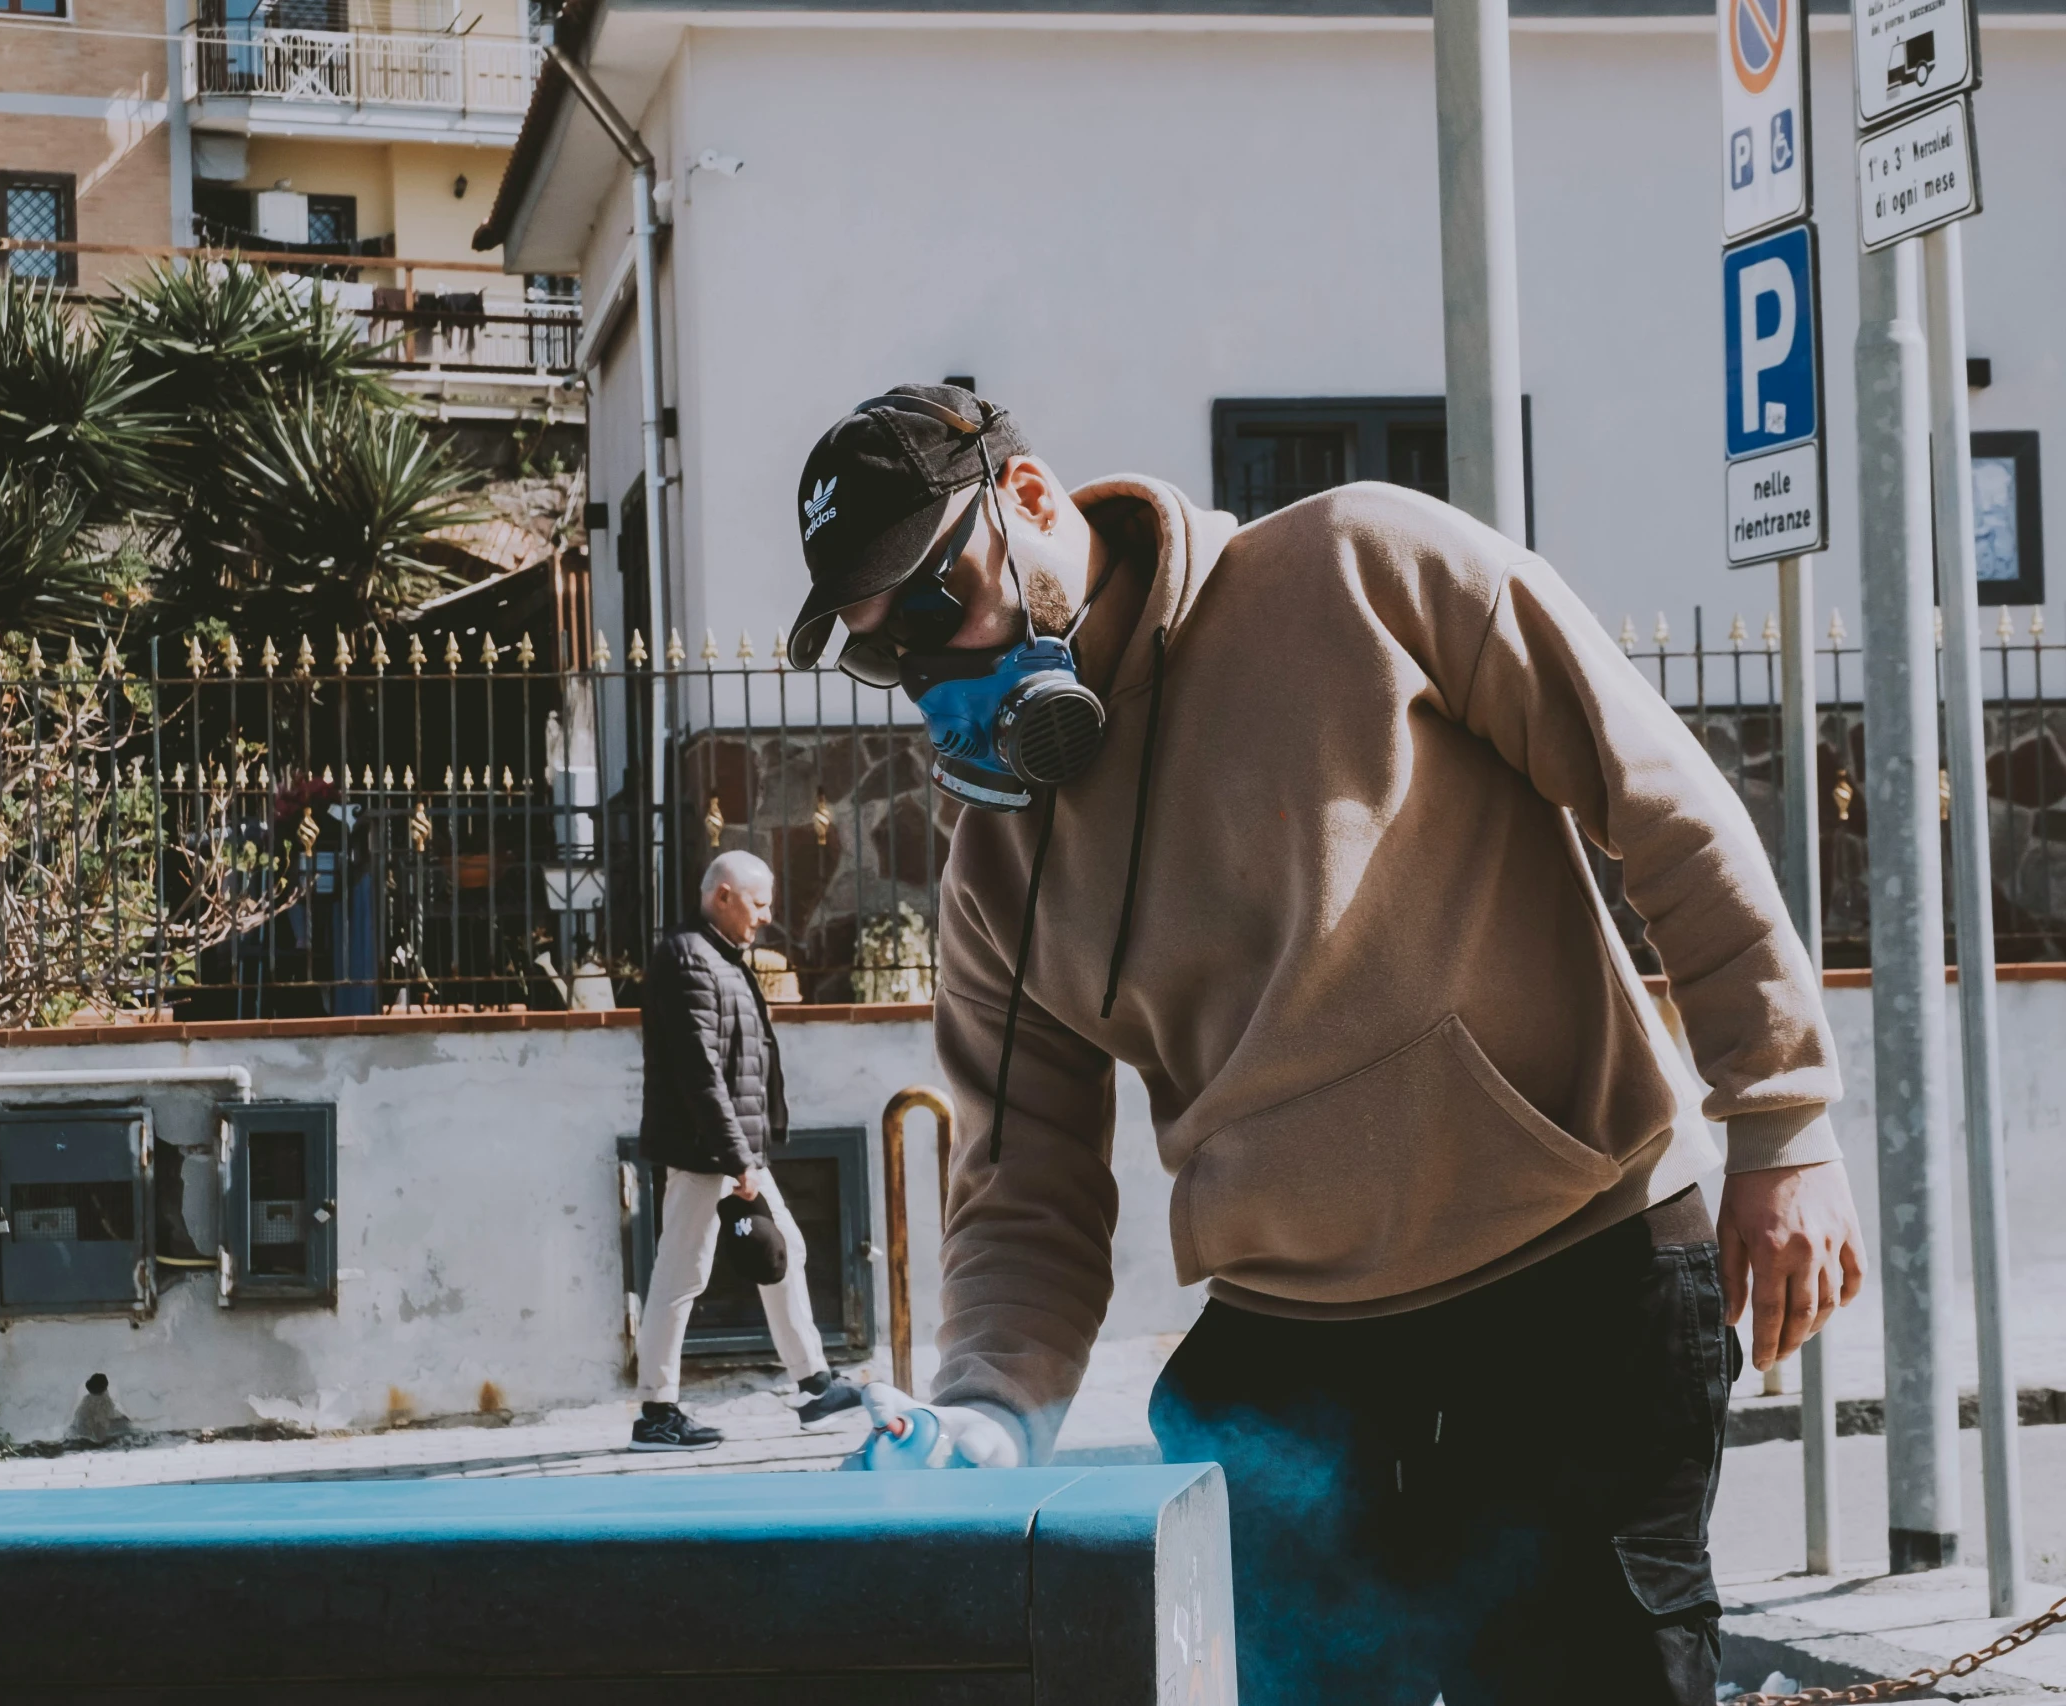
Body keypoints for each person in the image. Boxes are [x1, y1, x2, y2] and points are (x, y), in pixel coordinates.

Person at [784, 386, 1866, 1703]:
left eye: (939, 604)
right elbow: (1022, 1188)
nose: (934, 668)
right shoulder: (993, 867)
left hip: (1575, 1292)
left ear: (1028, 500)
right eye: (886, 652)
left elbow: (1668, 807)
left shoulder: (1363, 564)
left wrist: (1784, 1119)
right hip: (1294, 1369)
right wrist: (988, 1410)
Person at [631, 849, 861, 1449]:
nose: (765, 917)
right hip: (707, 1151)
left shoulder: (723, 958)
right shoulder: (688, 958)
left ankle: (814, 1385)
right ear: (723, 895)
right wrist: (737, 1158)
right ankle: (656, 1414)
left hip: (734, 1150)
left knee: (786, 1250)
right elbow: (700, 1071)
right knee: (682, 1274)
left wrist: (748, 1153)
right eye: (757, 904)